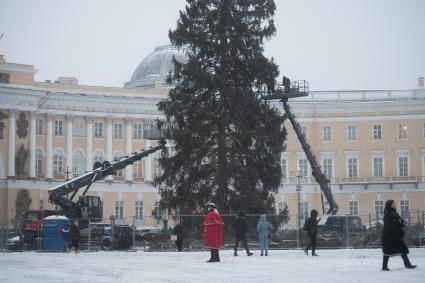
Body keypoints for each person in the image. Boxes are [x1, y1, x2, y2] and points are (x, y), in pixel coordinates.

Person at [382, 199, 417, 271]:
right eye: (394, 204)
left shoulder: (393, 212)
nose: (395, 205)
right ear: (390, 205)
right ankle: (384, 267)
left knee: (402, 249)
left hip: (396, 236)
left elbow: (397, 221)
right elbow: (389, 225)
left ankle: (407, 264)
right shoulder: (388, 213)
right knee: (387, 251)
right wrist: (398, 225)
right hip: (390, 236)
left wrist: (401, 223)